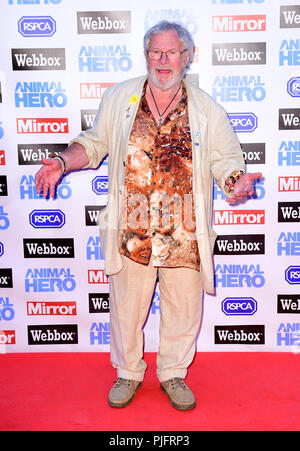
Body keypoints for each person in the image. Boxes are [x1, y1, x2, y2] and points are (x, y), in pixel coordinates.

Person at [35, 21, 261, 411]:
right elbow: (93, 143)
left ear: (187, 57)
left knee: (184, 309)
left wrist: (236, 181)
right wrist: (61, 161)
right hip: (131, 228)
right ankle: (127, 372)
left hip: (185, 230)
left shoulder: (206, 109)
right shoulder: (120, 97)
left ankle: (173, 373)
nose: (163, 60)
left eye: (172, 52)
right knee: (126, 309)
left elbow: (228, 161)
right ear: (146, 55)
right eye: (155, 52)